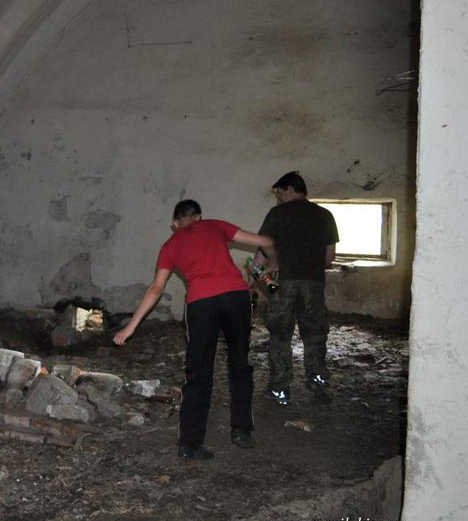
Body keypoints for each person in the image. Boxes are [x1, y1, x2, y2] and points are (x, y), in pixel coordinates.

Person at [113, 200, 274, 459]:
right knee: (240, 364)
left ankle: (189, 444)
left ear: (175, 223)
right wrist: (270, 267)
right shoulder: (216, 225)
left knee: (198, 371)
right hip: (235, 297)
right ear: (199, 217)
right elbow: (265, 241)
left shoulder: (170, 245)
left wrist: (131, 326)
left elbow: (156, 288)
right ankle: (242, 431)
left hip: (201, 304)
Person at [255, 171, 339, 405]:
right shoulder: (325, 215)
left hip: (282, 283)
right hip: (314, 283)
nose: (279, 198)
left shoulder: (277, 214)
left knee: (280, 334)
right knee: (315, 333)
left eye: (280, 193)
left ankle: (280, 389)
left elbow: (262, 251)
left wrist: (257, 276)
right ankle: (317, 380)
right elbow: (329, 258)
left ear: (290, 190)